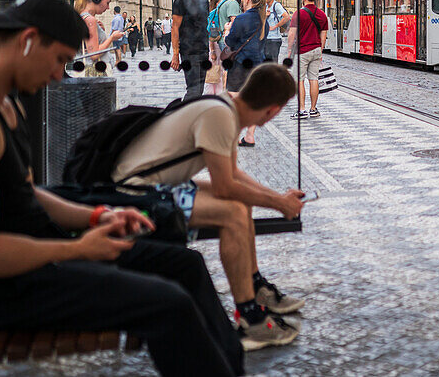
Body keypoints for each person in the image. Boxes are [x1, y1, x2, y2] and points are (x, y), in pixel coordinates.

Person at [0, 0, 245, 376]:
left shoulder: (3, 103)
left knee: (184, 265)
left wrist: (98, 216)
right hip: (8, 287)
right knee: (168, 302)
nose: (59, 74)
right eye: (58, 59)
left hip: (40, 255)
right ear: (27, 42)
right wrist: (79, 249)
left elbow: (26, 195)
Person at [111, 63, 305, 350]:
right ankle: (250, 319)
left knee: (239, 202)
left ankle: (254, 287)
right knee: (233, 211)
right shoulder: (220, 117)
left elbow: (234, 176)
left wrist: (279, 197)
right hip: (135, 194)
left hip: (152, 185)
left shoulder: (226, 107)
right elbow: (225, 186)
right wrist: (279, 203)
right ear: (273, 110)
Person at [225, 0, 268, 147]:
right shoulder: (264, 21)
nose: (242, 1)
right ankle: (250, 136)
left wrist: (227, 30)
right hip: (258, 65)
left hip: (240, 65)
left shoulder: (241, 18)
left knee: (234, 98)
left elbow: (230, 42)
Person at [288, 0, 328, 120]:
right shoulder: (322, 15)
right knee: (313, 79)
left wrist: (289, 51)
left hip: (302, 51)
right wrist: (319, 50)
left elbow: (292, 34)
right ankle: (313, 109)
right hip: (316, 50)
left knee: (299, 80)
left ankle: (302, 110)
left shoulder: (298, 14)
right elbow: (323, 36)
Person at [172, 0, 211, 100]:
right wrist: (175, 54)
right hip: (189, 51)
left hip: (203, 51)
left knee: (199, 91)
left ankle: (191, 117)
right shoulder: (181, 0)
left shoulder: (204, 1)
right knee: (193, 91)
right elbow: (175, 28)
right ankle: (182, 116)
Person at [74, 0, 124, 76]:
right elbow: (94, 54)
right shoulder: (90, 20)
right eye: (107, 2)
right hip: (94, 73)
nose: (108, 7)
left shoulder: (81, 17)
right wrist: (112, 38)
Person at [263, 0, 290, 64]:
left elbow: (286, 17)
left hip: (274, 38)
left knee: (273, 63)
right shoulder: (265, 6)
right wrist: (265, 16)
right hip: (266, 38)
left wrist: (276, 26)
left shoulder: (276, 6)